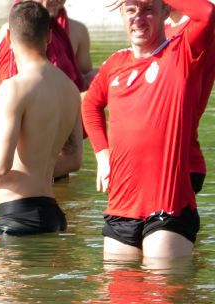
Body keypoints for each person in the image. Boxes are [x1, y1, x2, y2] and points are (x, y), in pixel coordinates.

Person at [81, 0, 214, 260]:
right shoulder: (115, 63)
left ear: (165, 11)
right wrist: (102, 154)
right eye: (131, 10)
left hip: (169, 204)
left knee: (161, 282)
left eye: (148, 10)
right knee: (118, 283)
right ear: (122, 14)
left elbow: (207, 13)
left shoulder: (181, 52)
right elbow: (90, 105)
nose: (138, 18)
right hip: (122, 205)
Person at [0, 2, 81, 236]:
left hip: (20, 215)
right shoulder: (70, 89)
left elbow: (0, 166)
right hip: (53, 214)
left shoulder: (13, 88)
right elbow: (73, 160)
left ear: (8, 37)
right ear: (49, 36)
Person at [0, 0, 94, 95]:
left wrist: (100, 76)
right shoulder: (11, 31)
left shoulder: (77, 30)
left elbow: (83, 79)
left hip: (64, 106)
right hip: (20, 104)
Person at [165, 3, 215, 193]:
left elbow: (206, 11)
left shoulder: (198, 31)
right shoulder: (162, 30)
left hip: (182, 162)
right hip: (155, 158)